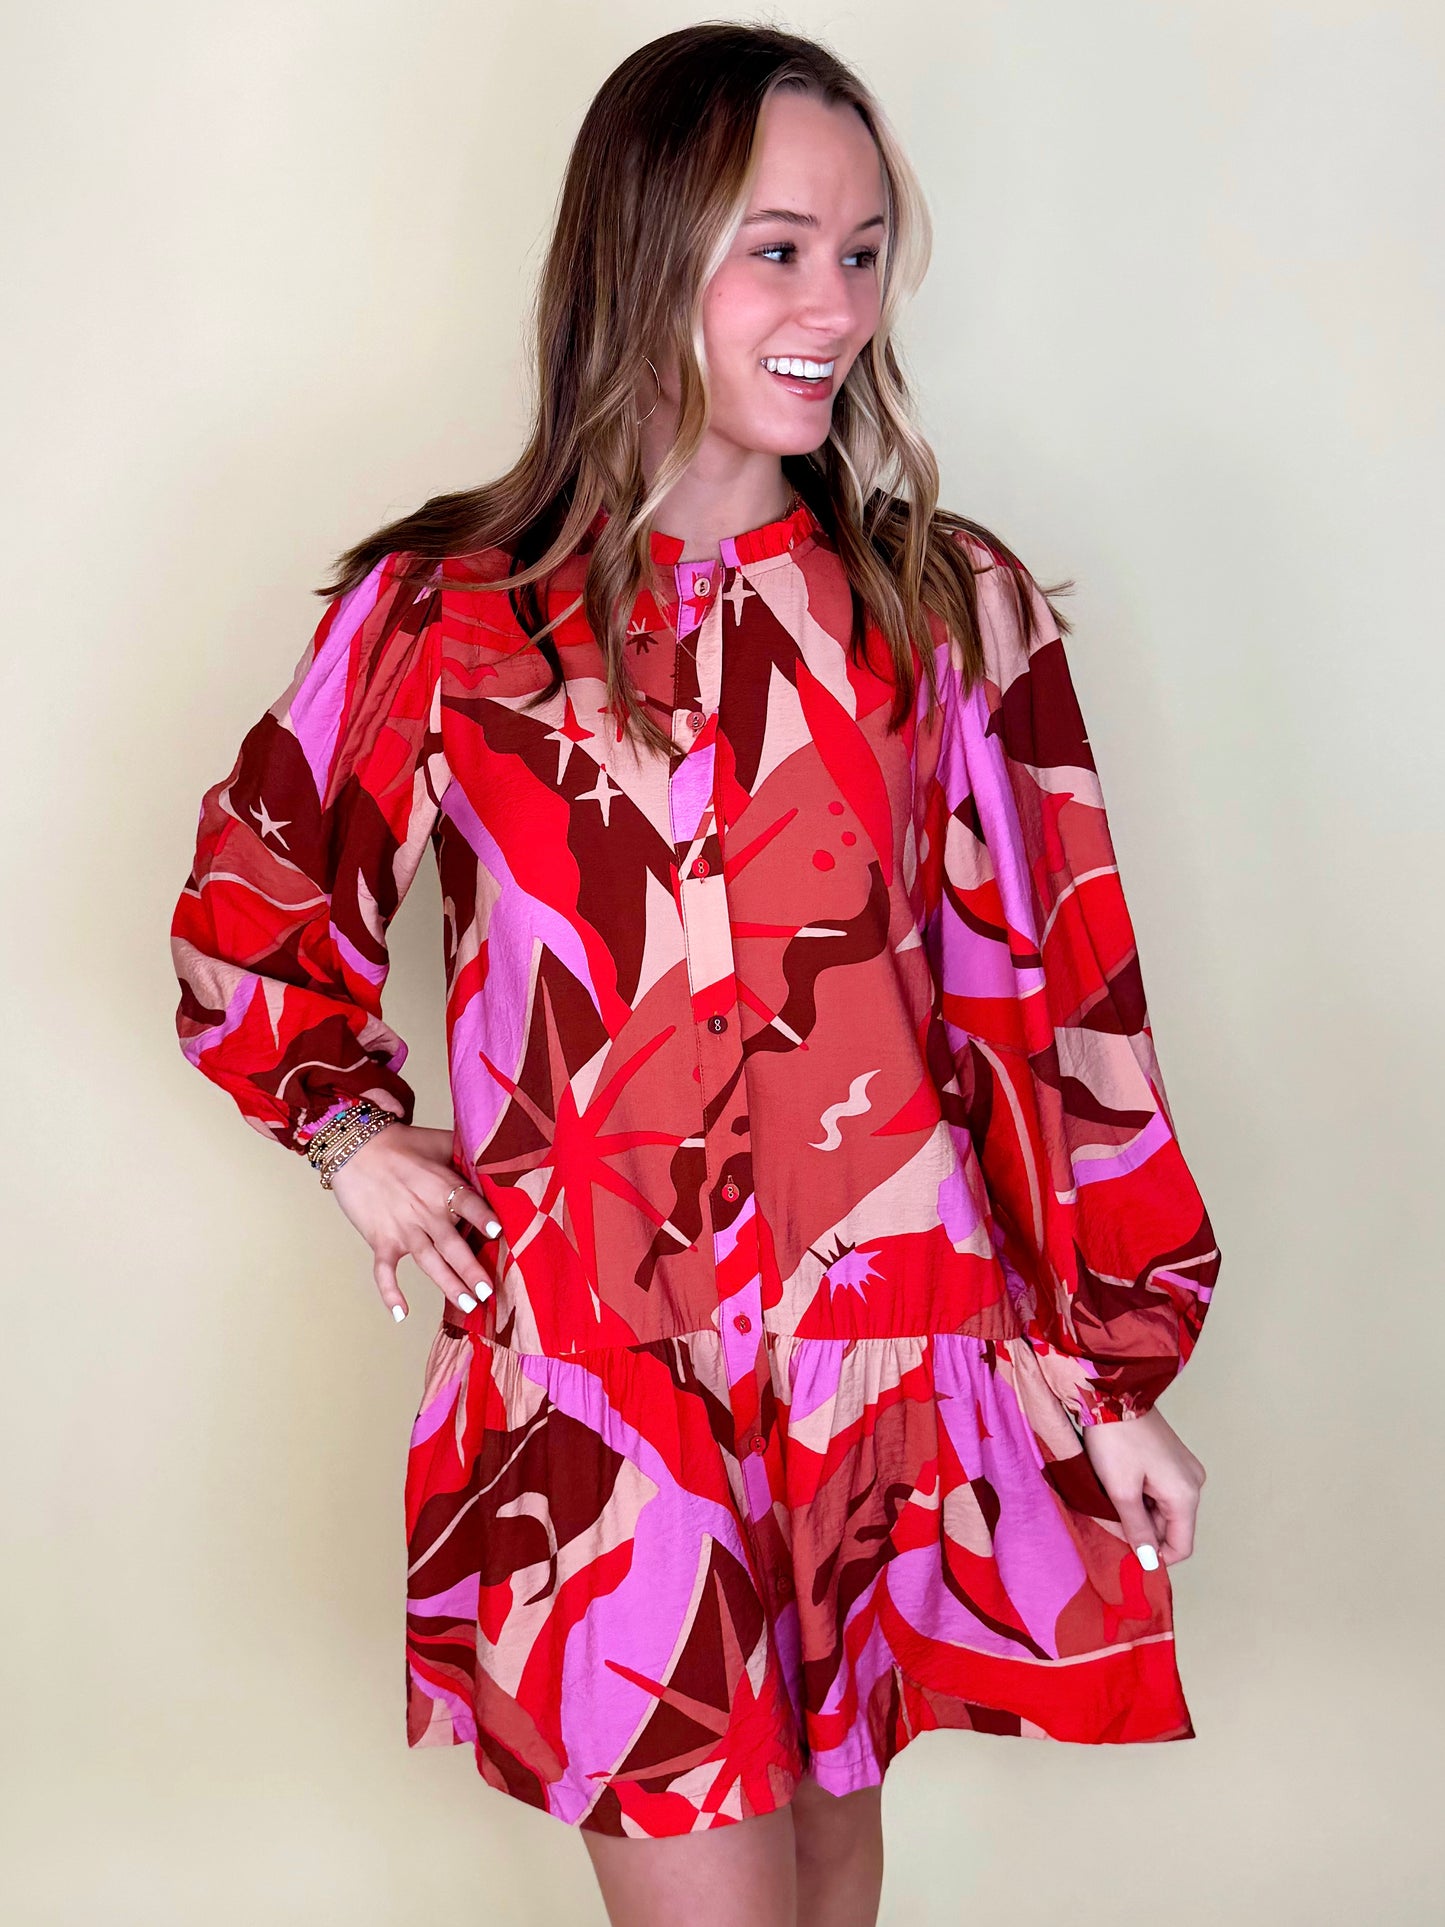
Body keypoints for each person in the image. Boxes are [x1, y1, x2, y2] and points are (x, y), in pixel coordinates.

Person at [170, 23, 1221, 1927]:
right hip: (607, 1398)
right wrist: (346, 1135)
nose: (836, 306)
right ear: (644, 251)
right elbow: (257, 902)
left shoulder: (941, 611)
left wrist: (1101, 1370)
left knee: (825, 1878)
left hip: (876, 1382)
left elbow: (1054, 1011)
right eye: (778, 249)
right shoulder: (450, 619)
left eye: (864, 251)